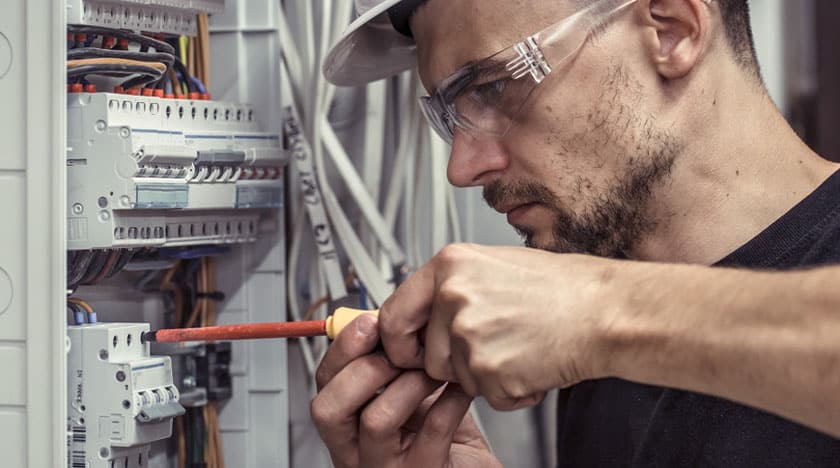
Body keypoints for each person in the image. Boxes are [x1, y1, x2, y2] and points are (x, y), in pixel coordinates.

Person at [312, 0, 840, 466]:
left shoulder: (596, 317)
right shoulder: (595, 322)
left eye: (494, 86)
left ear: (671, 30)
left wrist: (599, 314)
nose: (462, 168)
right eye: (450, 117)